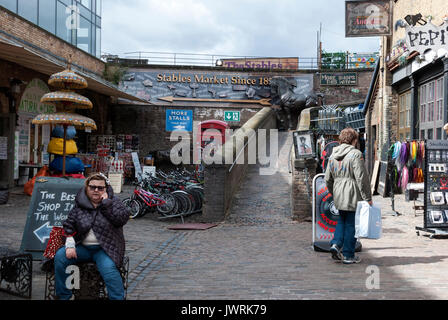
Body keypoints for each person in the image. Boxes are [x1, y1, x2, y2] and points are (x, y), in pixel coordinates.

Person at [54, 172, 129, 299]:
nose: (96, 190)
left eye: (100, 188)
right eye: (92, 187)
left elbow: (121, 219)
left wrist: (106, 204)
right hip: (82, 247)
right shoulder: (80, 204)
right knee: (60, 257)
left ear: (106, 189)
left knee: (109, 271)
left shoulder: (114, 202)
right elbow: (69, 225)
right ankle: (64, 296)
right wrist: (70, 244)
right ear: (86, 188)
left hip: (105, 249)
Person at [324, 128, 372, 264]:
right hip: (352, 193)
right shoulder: (356, 154)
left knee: (342, 220)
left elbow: (328, 178)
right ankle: (348, 255)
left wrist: (334, 192)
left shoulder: (333, 155)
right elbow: (361, 178)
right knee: (352, 224)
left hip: (338, 192)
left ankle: (336, 244)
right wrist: (367, 197)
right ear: (354, 140)